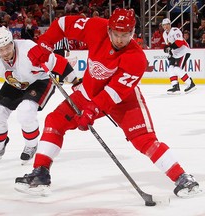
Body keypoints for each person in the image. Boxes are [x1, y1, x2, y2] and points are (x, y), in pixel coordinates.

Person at [15, 8, 201, 198]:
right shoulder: (96, 27)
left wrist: (92, 110)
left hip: (123, 99)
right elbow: (62, 24)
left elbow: (114, 93)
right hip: (88, 91)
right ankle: (40, 173)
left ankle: (182, 177)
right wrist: (45, 45)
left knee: (144, 139)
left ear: (133, 32)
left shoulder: (136, 58)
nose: (120, 39)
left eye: (126, 35)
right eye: (116, 34)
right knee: (55, 121)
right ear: (109, 29)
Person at [0, 26, 79, 164]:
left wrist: (75, 82)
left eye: (7, 48)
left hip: (40, 80)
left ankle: (31, 145)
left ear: (12, 43)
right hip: (15, 82)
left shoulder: (30, 49)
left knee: (26, 111)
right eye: (0, 50)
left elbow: (60, 63)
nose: (5, 53)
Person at [162, 18, 196, 94]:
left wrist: (169, 47)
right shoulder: (164, 34)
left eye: (167, 24)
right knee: (170, 68)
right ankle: (175, 86)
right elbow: (169, 44)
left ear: (170, 24)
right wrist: (168, 50)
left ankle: (191, 84)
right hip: (175, 53)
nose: (166, 26)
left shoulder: (175, 30)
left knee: (177, 69)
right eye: (164, 25)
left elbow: (179, 43)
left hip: (184, 51)